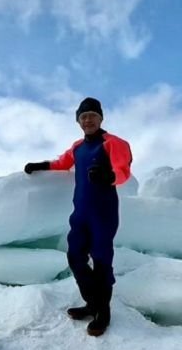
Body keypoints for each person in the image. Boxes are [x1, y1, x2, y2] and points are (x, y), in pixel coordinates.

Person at [24, 97, 133, 336]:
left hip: (103, 212)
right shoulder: (77, 146)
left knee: (102, 261)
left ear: (101, 118)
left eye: (92, 115)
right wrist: (40, 165)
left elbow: (122, 172)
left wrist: (107, 176)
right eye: (83, 116)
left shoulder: (114, 143)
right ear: (78, 121)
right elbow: (63, 163)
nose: (88, 120)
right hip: (80, 213)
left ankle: (103, 312)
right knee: (75, 256)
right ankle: (92, 303)